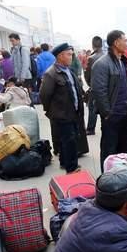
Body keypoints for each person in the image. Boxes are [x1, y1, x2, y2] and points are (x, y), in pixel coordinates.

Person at [91, 30, 127, 172]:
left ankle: (122, 178)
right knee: (109, 151)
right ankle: (107, 181)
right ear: (116, 43)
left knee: (124, 149)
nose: (126, 43)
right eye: (124, 40)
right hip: (112, 116)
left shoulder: (122, 62)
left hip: (125, 114)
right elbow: (99, 91)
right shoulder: (102, 64)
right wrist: (107, 113)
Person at [40, 43, 89, 173]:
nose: (71, 57)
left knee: (66, 139)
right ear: (60, 56)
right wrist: (53, 111)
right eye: (69, 54)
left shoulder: (68, 71)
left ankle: (64, 162)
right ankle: (71, 167)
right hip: (62, 113)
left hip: (72, 112)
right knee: (69, 140)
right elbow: (44, 95)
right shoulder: (51, 74)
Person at [84, 35, 104, 135]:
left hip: (95, 88)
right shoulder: (107, 55)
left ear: (93, 45)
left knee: (92, 108)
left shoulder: (91, 58)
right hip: (106, 88)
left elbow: (87, 75)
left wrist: (90, 84)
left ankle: (91, 128)